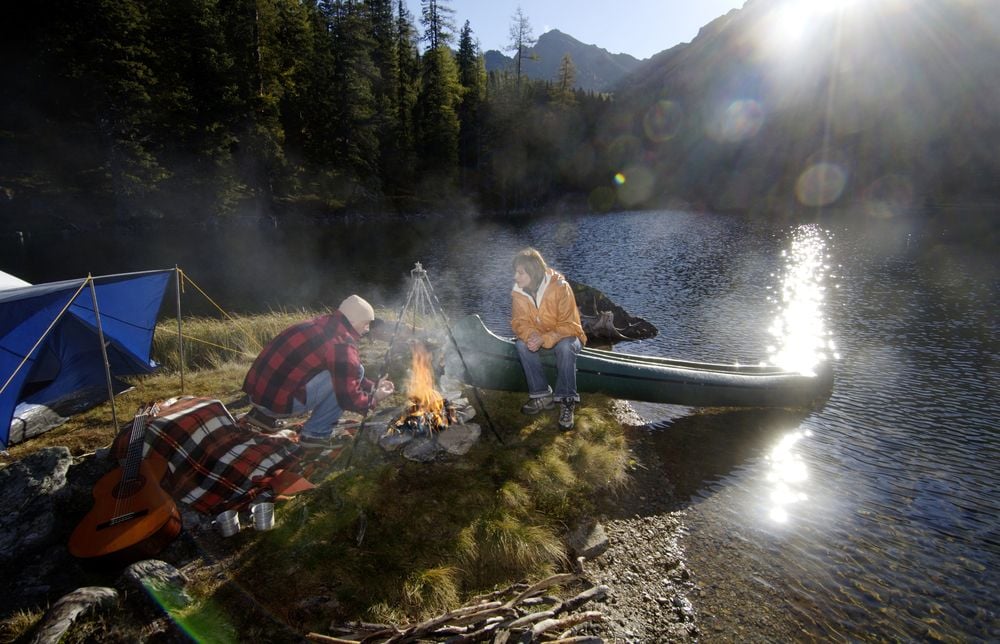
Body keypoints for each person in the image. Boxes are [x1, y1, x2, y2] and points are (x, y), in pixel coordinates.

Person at [242, 294, 395, 447]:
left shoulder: (319, 323)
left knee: (348, 370)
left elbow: (346, 371)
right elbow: (348, 398)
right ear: (353, 321)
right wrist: (374, 398)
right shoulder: (341, 343)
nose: (367, 329)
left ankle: (261, 418)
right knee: (351, 372)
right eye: (366, 323)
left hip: (258, 397)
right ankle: (315, 434)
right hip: (278, 405)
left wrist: (372, 386)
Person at [510, 248, 587, 430]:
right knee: (522, 345)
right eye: (515, 272)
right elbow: (519, 322)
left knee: (565, 347)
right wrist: (531, 336)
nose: (515, 277)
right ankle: (542, 394)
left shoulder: (560, 287)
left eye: (520, 272)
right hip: (541, 337)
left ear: (533, 272)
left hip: (568, 335)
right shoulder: (518, 293)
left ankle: (567, 400)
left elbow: (569, 325)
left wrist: (544, 339)